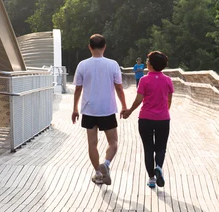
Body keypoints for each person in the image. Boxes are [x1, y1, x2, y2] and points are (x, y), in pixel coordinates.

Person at [72, 34, 127, 185]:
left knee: (92, 143)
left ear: (89, 47)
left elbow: (78, 89)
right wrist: (124, 106)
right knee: (113, 142)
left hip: (89, 110)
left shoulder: (82, 65)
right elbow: (119, 88)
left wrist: (75, 109)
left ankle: (98, 173)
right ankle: (106, 164)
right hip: (107, 109)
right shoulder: (113, 64)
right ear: (104, 47)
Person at [122, 51, 174, 189]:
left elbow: (139, 99)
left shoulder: (144, 80)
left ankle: (151, 179)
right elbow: (169, 100)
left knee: (148, 149)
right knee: (161, 148)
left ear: (150, 64)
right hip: (163, 119)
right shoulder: (168, 80)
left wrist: (129, 111)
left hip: (145, 119)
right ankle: (158, 167)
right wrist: (163, 111)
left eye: (147, 60)